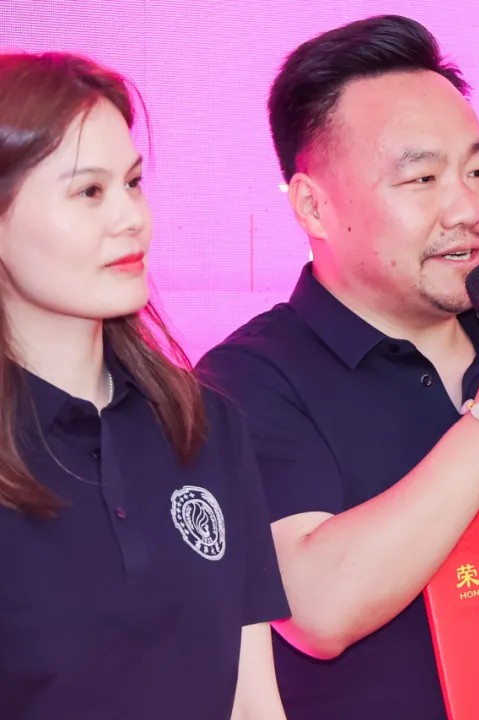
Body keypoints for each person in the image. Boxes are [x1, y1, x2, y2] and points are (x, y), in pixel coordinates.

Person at [196, 14, 479, 719]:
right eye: (422, 177)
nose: (466, 207)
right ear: (313, 205)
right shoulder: (249, 379)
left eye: (478, 172)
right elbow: (317, 610)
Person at [0, 52, 289, 719]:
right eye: (89, 192)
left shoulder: (206, 425)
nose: (131, 216)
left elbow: (253, 701)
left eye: (132, 183)